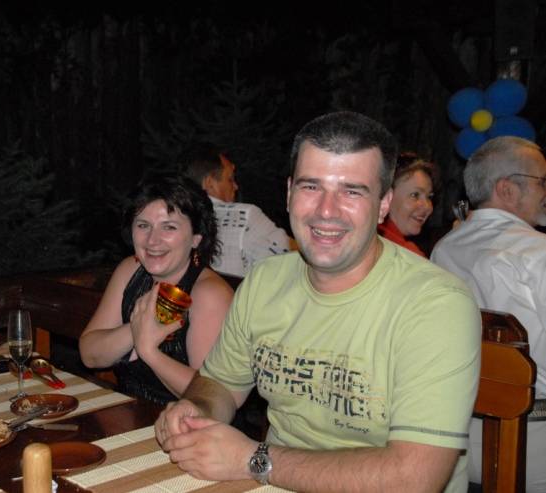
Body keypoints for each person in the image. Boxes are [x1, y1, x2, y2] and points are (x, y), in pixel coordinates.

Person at [155, 111, 481, 492]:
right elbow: (220, 384)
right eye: (311, 186)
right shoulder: (265, 281)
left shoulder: (437, 305)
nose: (327, 210)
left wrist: (253, 459)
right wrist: (197, 408)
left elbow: (414, 478)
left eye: (352, 191)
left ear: (383, 204)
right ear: (289, 193)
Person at [431, 136, 546, 492]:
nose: (545, 193)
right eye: (542, 182)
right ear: (507, 189)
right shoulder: (538, 254)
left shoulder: (444, 249)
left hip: (458, 443)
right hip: (531, 449)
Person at [79, 172, 233, 406]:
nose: (152, 240)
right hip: (130, 413)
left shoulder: (210, 295)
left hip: (187, 423)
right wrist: (136, 329)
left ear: (196, 238)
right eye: (143, 225)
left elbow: (212, 396)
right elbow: (89, 354)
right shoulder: (130, 270)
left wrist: (148, 350)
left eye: (169, 227)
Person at [182, 144, 297, 277]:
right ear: (209, 183)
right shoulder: (245, 216)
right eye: (230, 179)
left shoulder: (175, 218)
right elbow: (291, 254)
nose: (236, 187)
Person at [377, 152, 437, 256]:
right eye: (415, 195)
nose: (427, 207)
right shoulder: (407, 255)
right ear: (386, 198)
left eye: (429, 197)